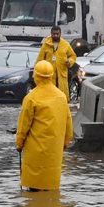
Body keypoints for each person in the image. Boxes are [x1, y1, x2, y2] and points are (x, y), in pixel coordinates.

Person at [16, 61, 72, 192]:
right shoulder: (61, 97)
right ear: (51, 76)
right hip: (54, 152)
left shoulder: (31, 98)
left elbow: (23, 125)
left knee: (34, 190)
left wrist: (19, 143)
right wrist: (65, 143)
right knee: (50, 189)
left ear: (36, 76)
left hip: (34, 153)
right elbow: (68, 124)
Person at [36, 25, 77, 99]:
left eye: (57, 34)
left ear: (60, 34)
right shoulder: (46, 44)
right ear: (51, 34)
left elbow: (73, 56)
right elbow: (40, 59)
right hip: (49, 75)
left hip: (62, 75)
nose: (55, 35)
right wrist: (36, 74)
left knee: (62, 96)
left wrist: (69, 62)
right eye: (54, 34)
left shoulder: (65, 44)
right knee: (50, 96)